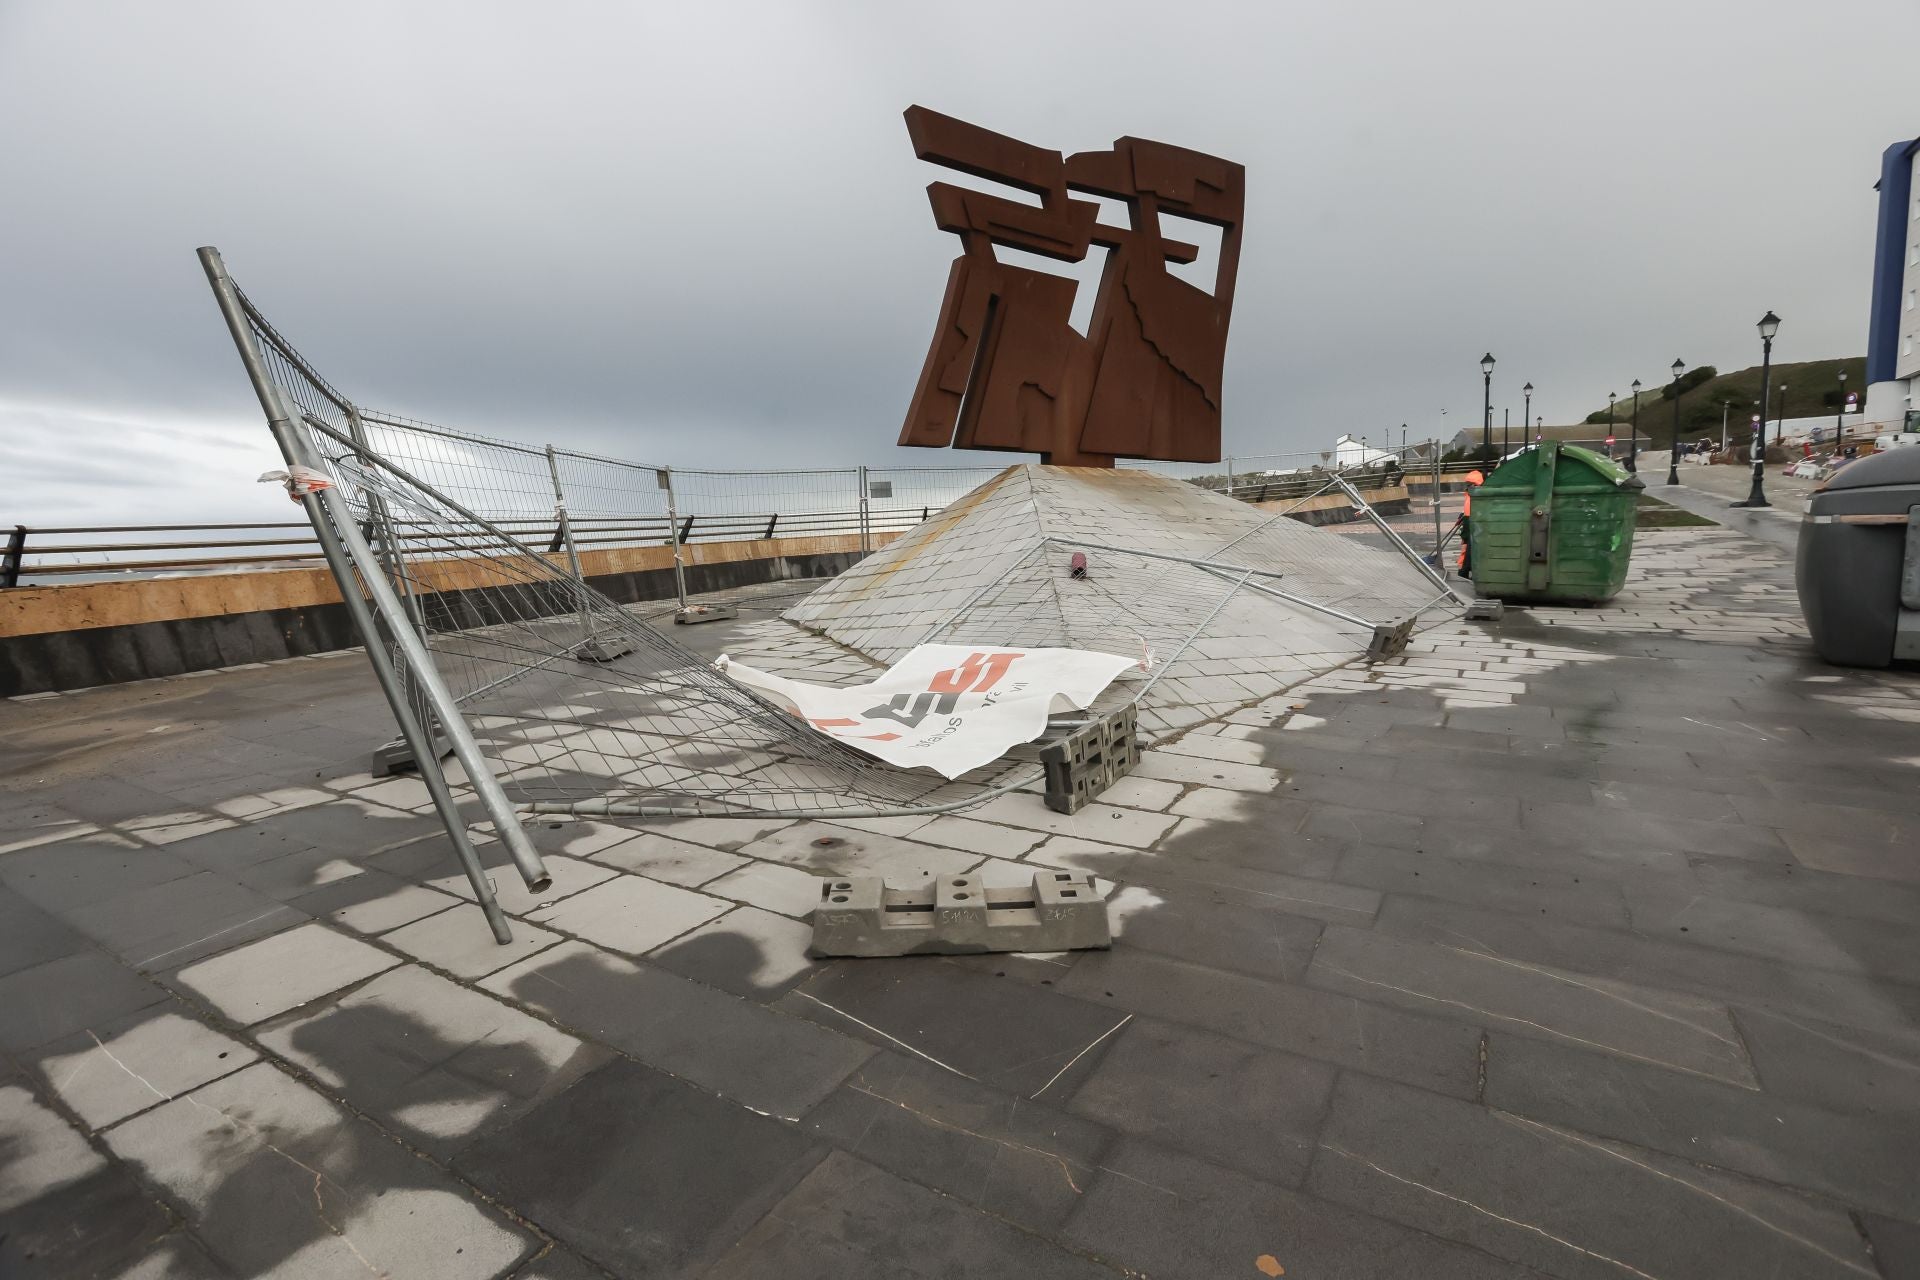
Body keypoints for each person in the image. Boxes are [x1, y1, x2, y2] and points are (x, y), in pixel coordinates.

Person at [1457, 468, 1485, 577]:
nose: (1469, 487)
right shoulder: (1472, 495)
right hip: (1471, 524)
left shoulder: (1471, 495)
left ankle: (1464, 571)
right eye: (1469, 484)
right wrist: (1463, 516)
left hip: (1470, 525)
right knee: (1469, 550)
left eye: (1471, 484)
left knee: (1468, 549)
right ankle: (1465, 570)